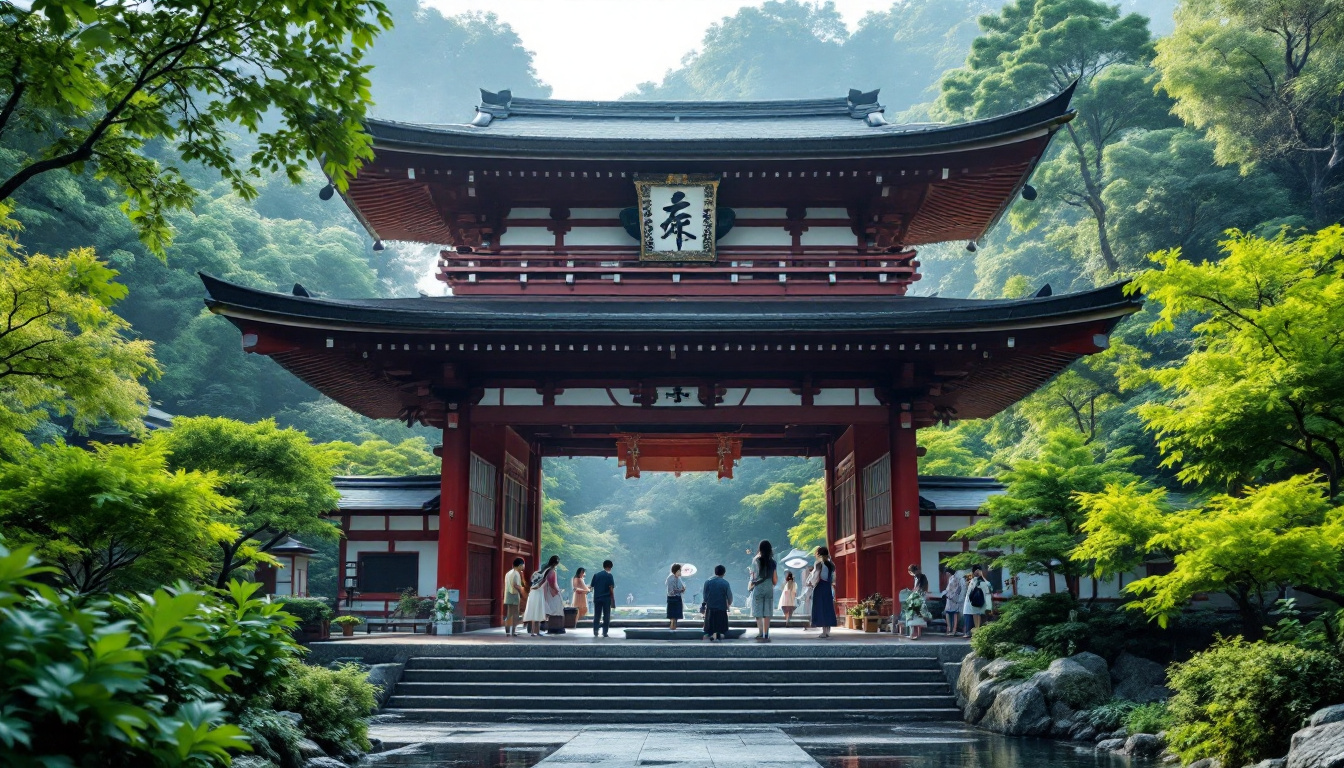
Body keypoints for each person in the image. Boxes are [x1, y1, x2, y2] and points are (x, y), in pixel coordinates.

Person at [748, 540, 779, 642]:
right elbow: (775, 579)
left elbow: (754, 576)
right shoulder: (773, 562)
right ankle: (766, 633)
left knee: (758, 611)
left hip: (759, 587)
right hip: (769, 587)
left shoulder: (756, 560)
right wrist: (771, 584)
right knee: (767, 611)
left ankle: (761, 632)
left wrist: (751, 583)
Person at [521, 557, 555, 637]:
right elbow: (540, 584)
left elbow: (531, 582)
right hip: (538, 592)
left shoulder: (535, 573)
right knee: (538, 611)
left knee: (534, 611)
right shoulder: (544, 575)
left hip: (533, 592)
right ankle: (536, 631)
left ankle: (534, 631)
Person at [808, 546, 838, 638]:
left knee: (821, 608)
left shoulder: (818, 564)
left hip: (820, 587)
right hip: (827, 587)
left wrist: (810, 583)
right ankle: (827, 631)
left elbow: (815, 576)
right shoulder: (831, 565)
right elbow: (833, 577)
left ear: (819, 554)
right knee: (827, 608)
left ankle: (824, 632)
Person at [701, 564, 733, 642]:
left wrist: (704, 604)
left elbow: (705, 596)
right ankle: (717, 635)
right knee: (721, 628)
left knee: (710, 627)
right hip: (721, 608)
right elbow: (730, 597)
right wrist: (728, 604)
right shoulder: (725, 583)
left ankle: (711, 635)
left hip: (710, 608)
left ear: (715, 572)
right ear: (724, 573)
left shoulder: (708, 582)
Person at [963, 565, 995, 634]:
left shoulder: (978, 581)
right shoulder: (974, 581)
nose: (977, 573)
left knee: (982, 618)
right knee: (979, 617)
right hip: (979, 603)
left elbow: (990, 588)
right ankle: (978, 633)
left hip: (982, 603)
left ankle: (979, 632)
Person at [904, 564, 930, 640]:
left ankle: (915, 633)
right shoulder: (917, 577)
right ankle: (913, 633)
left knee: (915, 614)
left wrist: (915, 593)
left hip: (919, 598)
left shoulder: (921, 577)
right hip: (917, 598)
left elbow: (921, 588)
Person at [589, 560, 615, 637]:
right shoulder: (609, 576)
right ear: (610, 567)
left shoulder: (596, 575)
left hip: (597, 598)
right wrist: (613, 599)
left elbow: (592, 587)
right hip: (606, 598)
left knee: (597, 615)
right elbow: (611, 589)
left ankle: (596, 630)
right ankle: (605, 632)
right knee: (606, 615)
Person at [503, 557, 526, 637]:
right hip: (514, 595)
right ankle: (513, 631)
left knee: (509, 614)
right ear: (520, 565)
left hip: (508, 595)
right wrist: (523, 590)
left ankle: (508, 631)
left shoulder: (508, 573)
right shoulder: (516, 573)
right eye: (523, 565)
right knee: (515, 614)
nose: (524, 567)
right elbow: (515, 585)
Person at [940, 566, 965, 637]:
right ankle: (949, 628)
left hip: (955, 598)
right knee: (948, 612)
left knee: (954, 614)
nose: (947, 574)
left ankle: (954, 630)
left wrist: (953, 595)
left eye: (947, 573)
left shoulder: (957, 579)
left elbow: (957, 589)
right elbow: (948, 588)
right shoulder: (951, 578)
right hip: (949, 598)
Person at [666, 563, 686, 630]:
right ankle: (672, 631)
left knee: (676, 617)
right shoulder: (670, 578)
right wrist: (680, 590)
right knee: (673, 618)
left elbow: (680, 587)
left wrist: (682, 589)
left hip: (677, 598)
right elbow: (671, 591)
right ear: (676, 571)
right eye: (679, 570)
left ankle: (674, 630)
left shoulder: (679, 578)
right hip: (673, 599)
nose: (680, 572)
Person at [799, 564, 815, 630]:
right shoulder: (808, 573)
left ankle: (809, 623)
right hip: (807, 591)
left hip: (809, 591)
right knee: (807, 609)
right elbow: (805, 583)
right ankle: (806, 624)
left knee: (809, 608)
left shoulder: (812, 574)